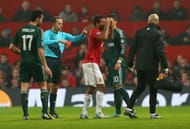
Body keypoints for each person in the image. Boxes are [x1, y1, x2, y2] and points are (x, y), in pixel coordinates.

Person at [9, 10, 53, 120]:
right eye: (41, 18)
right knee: (43, 86)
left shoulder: (21, 29)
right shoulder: (38, 31)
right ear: (37, 18)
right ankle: (44, 113)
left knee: (24, 88)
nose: (42, 20)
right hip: (36, 62)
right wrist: (46, 66)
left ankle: (25, 115)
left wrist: (21, 53)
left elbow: (11, 47)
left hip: (24, 62)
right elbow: (40, 49)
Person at [125, 13, 168, 119]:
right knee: (153, 88)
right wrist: (165, 66)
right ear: (157, 22)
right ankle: (152, 113)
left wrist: (129, 63)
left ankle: (129, 107)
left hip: (140, 66)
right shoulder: (157, 33)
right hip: (151, 66)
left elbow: (132, 49)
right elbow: (160, 52)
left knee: (140, 86)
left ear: (148, 21)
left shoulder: (139, 33)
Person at [43, 16, 86, 118]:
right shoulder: (47, 33)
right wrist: (58, 41)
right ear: (53, 24)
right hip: (49, 60)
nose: (61, 25)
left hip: (58, 62)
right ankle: (44, 111)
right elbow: (44, 42)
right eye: (59, 23)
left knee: (55, 87)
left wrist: (82, 35)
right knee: (48, 87)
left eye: (62, 23)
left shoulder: (63, 34)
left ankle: (52, 111)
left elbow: (74, 38)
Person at [80, 15, 110, 119]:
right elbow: (105, 37)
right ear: (97, 23)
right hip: (90, 62)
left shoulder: (96, 31)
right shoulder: (95, 31)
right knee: (101, 85)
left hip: (92, 63)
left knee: (91, 88)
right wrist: (108, 25)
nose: (105, 23)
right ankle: (98, 112)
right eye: (103, 22)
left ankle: (84, 112)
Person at [104, 14, 130, 118]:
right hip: (111, 64)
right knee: (115, 88)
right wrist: (107, 64)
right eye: (107, 22)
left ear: (115, 22)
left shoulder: (119, 32)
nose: (108, 24)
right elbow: (108, 51)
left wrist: (119, 61)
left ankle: (131, 107)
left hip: (118, 64)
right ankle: (118, 112)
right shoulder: (108, 34)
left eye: (110, 21)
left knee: (118, 86)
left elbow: (123, 48)